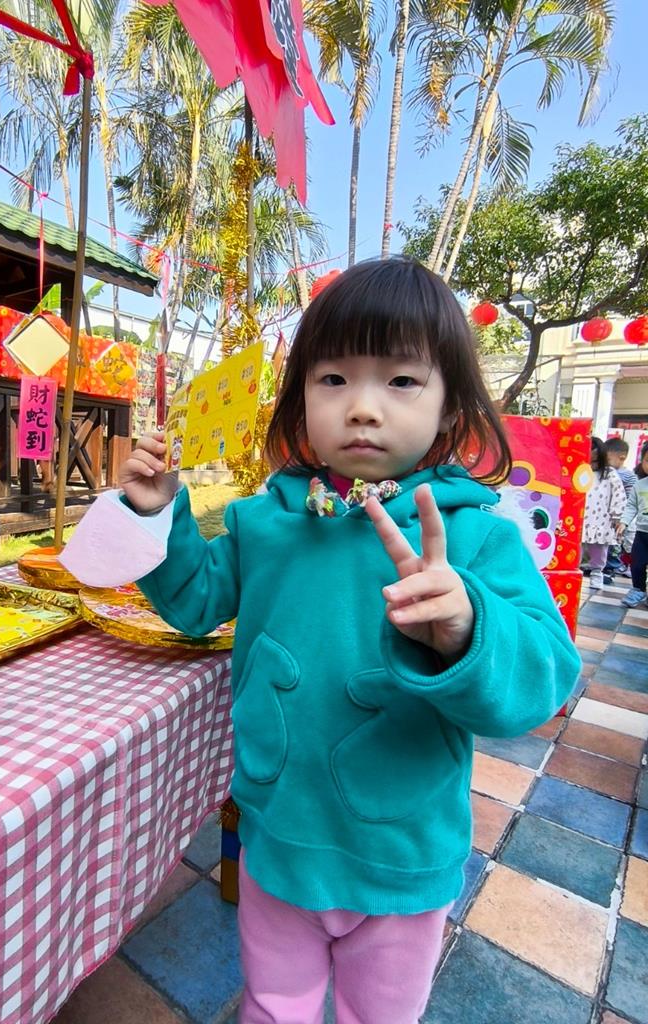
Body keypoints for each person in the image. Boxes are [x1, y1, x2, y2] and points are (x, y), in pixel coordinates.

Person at [116, 259, 581, 1024]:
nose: (362, 407)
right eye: (333, 378)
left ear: (450, 405)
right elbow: (195, 601)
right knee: (273, 1007)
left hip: (402, 853)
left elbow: (543, 681)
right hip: (276, 833)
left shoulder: (475, 538)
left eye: (401, 380)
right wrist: (157, 514)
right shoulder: (264, 523)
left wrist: (467, 628)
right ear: (301, 398)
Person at [582, 437, 627, 590]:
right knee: (576, 551)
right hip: (580, 519)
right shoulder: (580, 472)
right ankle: (574, 574)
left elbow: (618, 494)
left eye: (595, 461)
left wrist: (617, 516)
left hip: (600, 520)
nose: (592, 464)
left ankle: (596, 574)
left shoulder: (609, 473)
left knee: (599, 551)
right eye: (588, 461)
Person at [603, 437, 638, 581]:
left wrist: (624, 517)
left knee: (618, 542)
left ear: (621, 457)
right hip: (606, 515)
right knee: (606, 541)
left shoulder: (628, 476)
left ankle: (613, 567)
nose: (605, 462)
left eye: (607, 459)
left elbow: (631, 498)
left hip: (622, 516)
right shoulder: (605, 472)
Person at [620, 441, 648, 608]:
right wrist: (624, 522)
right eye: (647, 460)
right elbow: (631, 506)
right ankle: (638, 589)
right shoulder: (639, 485)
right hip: (642, 533)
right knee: (637, 563)